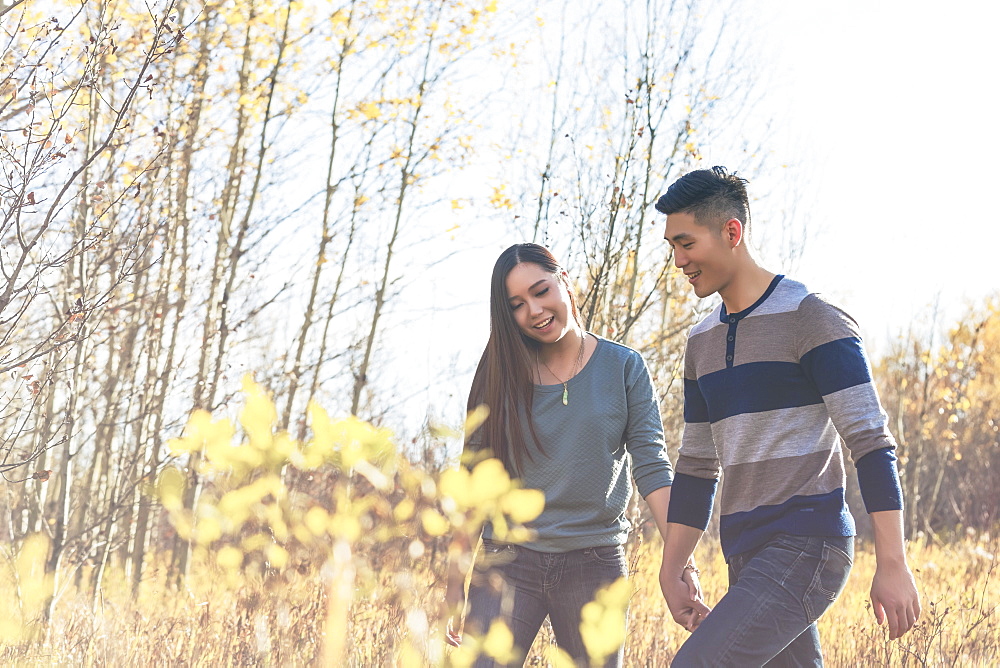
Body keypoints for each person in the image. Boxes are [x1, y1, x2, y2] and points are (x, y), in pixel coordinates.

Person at [655, 166, 921, 666]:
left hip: (809, 543)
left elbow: (871, 443)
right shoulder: (700, 342)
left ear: (732, 232)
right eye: (672, 246)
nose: (679, 260)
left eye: (686, 243)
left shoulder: (812, 318)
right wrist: (671, 568)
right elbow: (695, 467)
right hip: (745, 553)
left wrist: (893, 562)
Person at [444, 243, 694, 667]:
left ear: (564, 282)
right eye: (517, 305)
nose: (535, 310)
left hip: (593, 563)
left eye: (541, 291)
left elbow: (652, 468)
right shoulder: (499, 374)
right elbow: (473, 485)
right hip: (507, 561)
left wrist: (681, 562)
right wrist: (454, 586)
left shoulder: (623, 367)